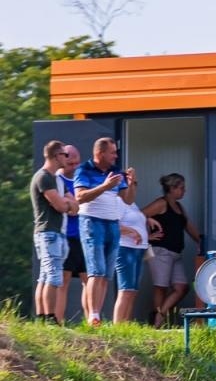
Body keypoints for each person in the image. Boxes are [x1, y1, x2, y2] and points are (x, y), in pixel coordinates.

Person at [72, 136, 138, 327]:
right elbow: (80, 197)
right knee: (96, 270)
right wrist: (105, 186)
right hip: (92, 223)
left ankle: (97, 316)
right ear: (100, 153)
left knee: (107, 274)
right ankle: (93, 316)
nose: (116, 156)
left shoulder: (115, 172)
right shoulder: (84, 170)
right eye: (112, 152)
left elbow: (127, 200)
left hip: (112, 223)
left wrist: (132, 183)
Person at [143, 173, 201, 327]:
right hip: (160, 251)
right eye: (181, 188)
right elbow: (139, 215)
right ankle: (156, 323)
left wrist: (201, 241)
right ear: (172, 188)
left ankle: (160, 315)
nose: (184, 191)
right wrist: (148, 236)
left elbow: (188, 226)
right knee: (160, 287)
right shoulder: (161, 203)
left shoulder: (179, 207)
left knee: (182, 287)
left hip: (175, 253)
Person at [31, 141, 74, 324]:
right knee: (54, 276)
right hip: (48, 233)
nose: (67, 158)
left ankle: (43, 317)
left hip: (55, 233)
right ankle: (49, 317)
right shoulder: (44, 177)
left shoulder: (54, 178)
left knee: (46, 275)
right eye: (65, 154)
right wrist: (66, 202)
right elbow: (61, 205)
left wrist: (67, 203)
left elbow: (74, 207)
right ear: (57, 155)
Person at [112, 191, 157, 324]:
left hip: (138, 250)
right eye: (131, 184)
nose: (134, 187)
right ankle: (118, 326)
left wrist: (146, 223)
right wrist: (132, 232)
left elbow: (134, 221)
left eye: (135, 184)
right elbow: (114, 226)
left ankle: (125, 324)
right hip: (125, 249)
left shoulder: (133, 205)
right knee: (125, 290)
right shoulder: (119, 202)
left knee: (132, 291)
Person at [56, 145, 88, 326]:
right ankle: (58, 321)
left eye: (77, 163)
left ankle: (91, 321)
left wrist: (73, 204)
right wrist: (73, 204)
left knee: (87, 278)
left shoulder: (81, 179)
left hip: (84, 235)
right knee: (64, 279)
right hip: (66, 235)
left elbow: (79, 205)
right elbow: (71, 208)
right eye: (70, 163)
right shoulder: (57, 180)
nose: (74, 167)